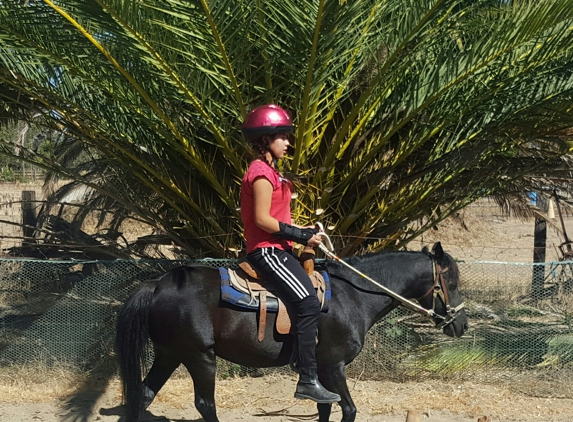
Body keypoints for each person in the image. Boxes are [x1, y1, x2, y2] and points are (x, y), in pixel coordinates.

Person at [240, 104, 341, 404]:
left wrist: (306, 233)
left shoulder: (274, 173)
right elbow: (261, 220)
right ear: (265, 138)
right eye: (282, 136)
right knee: (309, 302)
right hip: (267, 252)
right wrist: (300, 235)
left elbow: (278, 218)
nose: (288, 142)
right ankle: (308, 379)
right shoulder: (260, 172)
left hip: (280, 250)